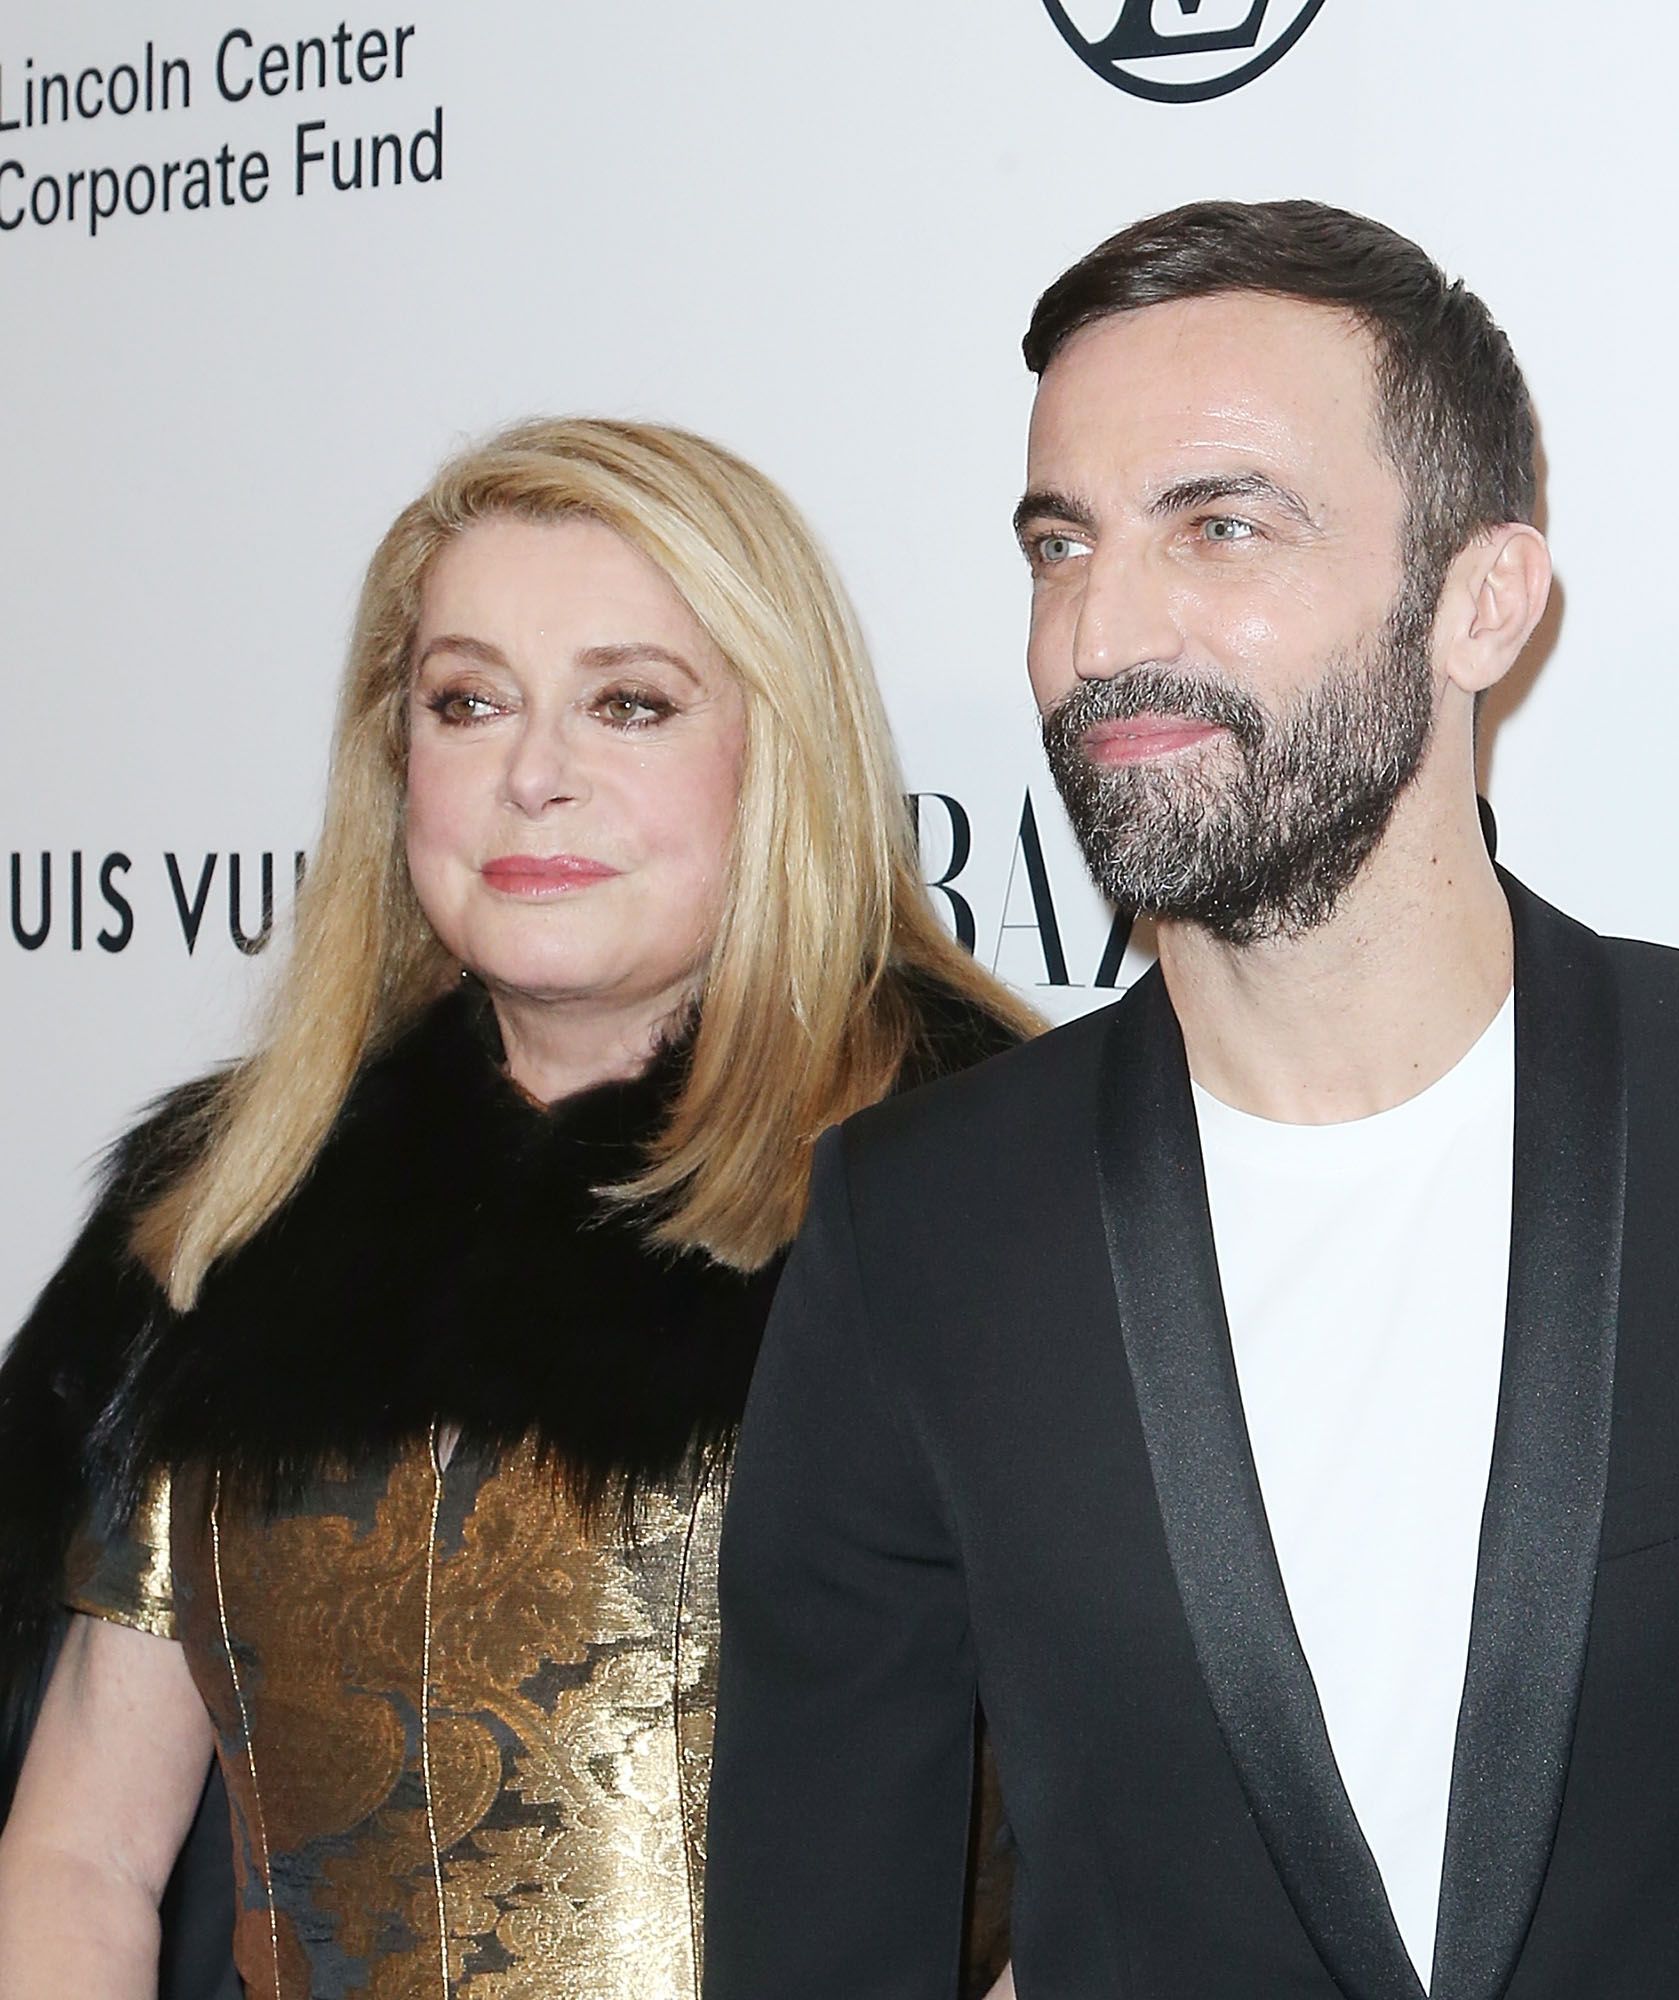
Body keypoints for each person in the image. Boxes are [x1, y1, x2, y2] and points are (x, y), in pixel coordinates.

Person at [701, 199, 1679, 2000]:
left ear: (1483, 601)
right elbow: (815, 1937)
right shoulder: (922, 1229)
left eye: (1221, 524)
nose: (1101, 631)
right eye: (1059, 545)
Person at [0, 418, 1036, 2000]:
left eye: (630, 703)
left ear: (781, 748)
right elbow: (80, 1850)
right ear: (393, 761)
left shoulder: (981, 1198)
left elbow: (1136, 1850)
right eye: (467, 703)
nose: (533, 774)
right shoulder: (240, 1208)